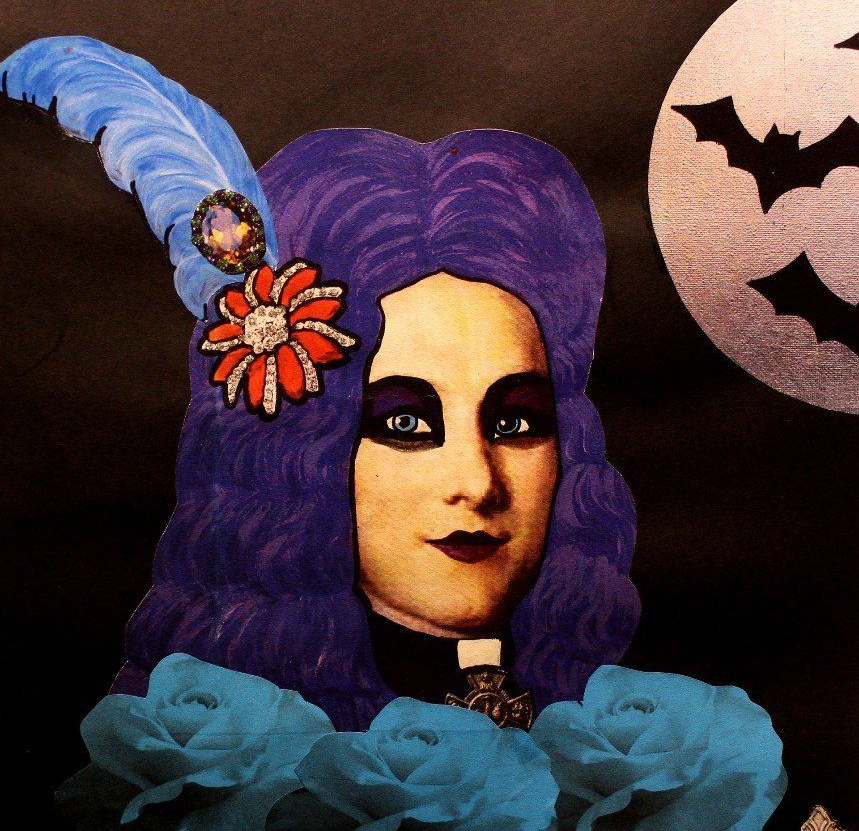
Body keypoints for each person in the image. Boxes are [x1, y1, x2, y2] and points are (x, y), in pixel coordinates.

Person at [2, 39, 639, 730]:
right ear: (301, 449)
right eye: (404, 424)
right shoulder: (206, 742)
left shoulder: (627, 731)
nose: (478, 483)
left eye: (514, 423)